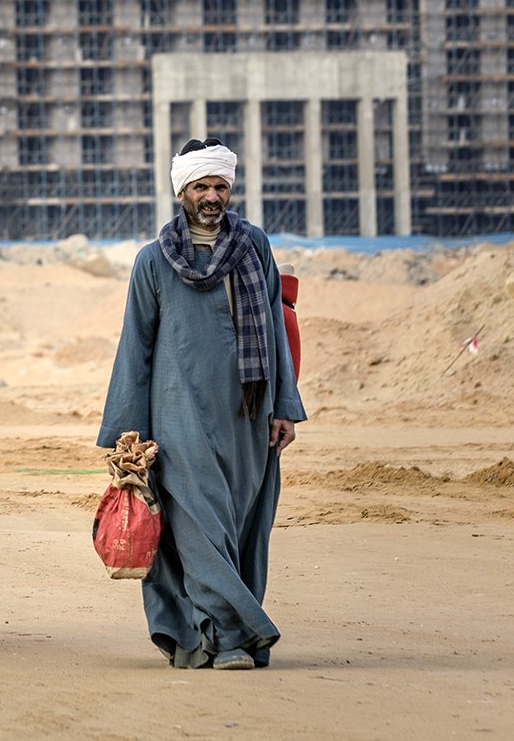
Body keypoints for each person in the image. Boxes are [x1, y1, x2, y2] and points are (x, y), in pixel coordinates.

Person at [98, 138, 307, 669]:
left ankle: (214, 637)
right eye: (200, 187)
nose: (212, 196)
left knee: (241, 528)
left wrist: (285, 405)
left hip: (249, 416)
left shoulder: (255, 247)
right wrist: (126, 432)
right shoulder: (153, 262)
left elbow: (276, 329)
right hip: (178, 419)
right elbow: (135, 347)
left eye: (219, 186)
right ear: (182, 192)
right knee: (197, 528)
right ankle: (233, 637)